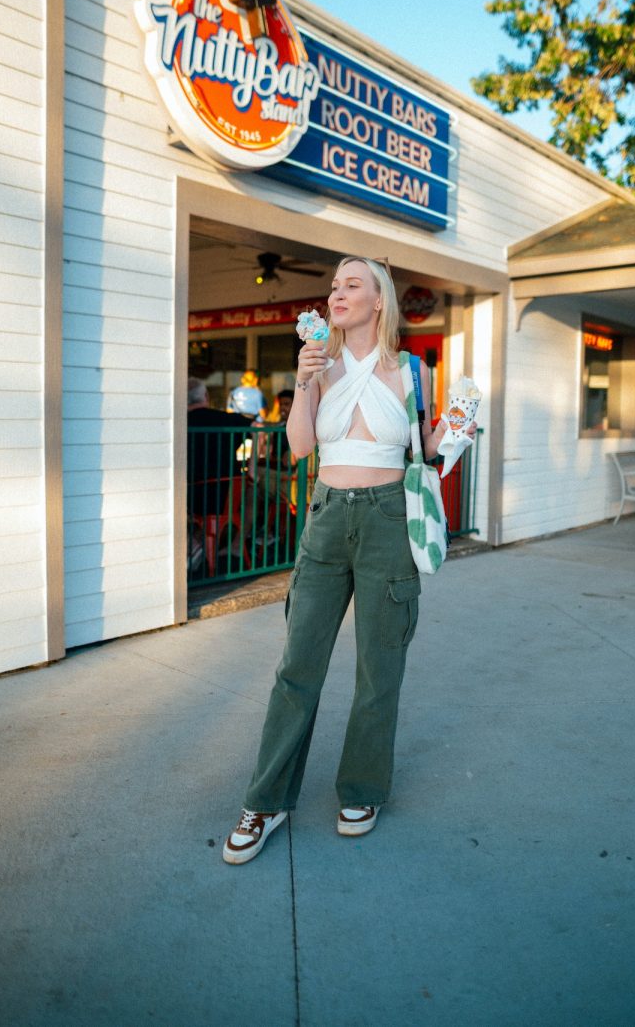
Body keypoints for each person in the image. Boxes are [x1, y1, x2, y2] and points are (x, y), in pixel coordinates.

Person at [223, 257, 476, 864]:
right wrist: (306, 380)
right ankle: (268, 799)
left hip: (390, 517)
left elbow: (428, 449)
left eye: (351, 285)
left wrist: (460, 424)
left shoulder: (410, 370)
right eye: (333, 285)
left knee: (377, 669)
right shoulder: (320, 363)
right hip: (327, 515)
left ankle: (362, 789)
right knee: (297, 666)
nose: (337, 293)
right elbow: (302, 446)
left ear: (379, 301)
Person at [187, 378, 252, 569]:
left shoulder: (176, 422)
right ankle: (237, 545)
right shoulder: (227, 419)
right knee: (253, 492)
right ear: (206, 396)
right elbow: (258, 429)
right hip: (224, 497)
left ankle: (197, 545)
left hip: (188, 498)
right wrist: (252, 466)